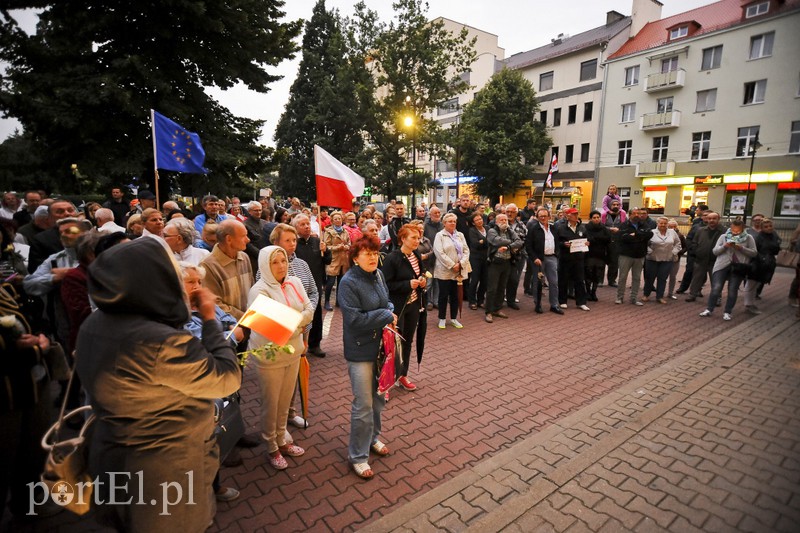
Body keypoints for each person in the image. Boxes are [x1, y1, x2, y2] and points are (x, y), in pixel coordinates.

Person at [75, 237, 242, 531]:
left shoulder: (95, 323)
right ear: (154, 280)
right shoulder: (159, 342)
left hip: (112, 457)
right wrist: (209, 319)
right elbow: (226, 377)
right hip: (163, 474)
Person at [247, 246, 313, 470]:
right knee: (271, 403)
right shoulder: (258, 291)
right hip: (269, 357)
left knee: (285, 402)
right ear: (265, 265)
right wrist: (299, 321)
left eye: (283, 260)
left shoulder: (294, 281)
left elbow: (310, 308)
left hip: (292, 352)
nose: (281, 266)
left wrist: (292, 322)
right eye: (275, 262)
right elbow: (272, 329)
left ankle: (282, 440)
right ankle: (271, 446)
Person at [337, 236, 396, 480]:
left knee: (379, 398)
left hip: (381, 347)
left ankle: (372, 438)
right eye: (367, 253)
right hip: (360, 350)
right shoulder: (348, 283)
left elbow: (387, 302)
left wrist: (388, 311)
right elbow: (355, 320)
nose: (373, 257)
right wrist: (386, 314)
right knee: (363, 405)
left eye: (375, 252)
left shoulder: (379, 275)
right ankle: (358, 456)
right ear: (355, 257)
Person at [382, 224, 427, 391]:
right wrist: (407, 284)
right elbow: (385, 285)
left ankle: (402, 375)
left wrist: (422, 281)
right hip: (397, 307)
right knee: (391, 345)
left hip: (414, 305)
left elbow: (420, 274)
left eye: (418, 237)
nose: (417, 241)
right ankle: (385, 381)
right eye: (413, 238)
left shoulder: (416, 254)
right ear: (402, 239)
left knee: (407, 341)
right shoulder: (392, 258)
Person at [699, 218, 757, 321]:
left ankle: (727, 311)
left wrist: (741, 248)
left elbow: (754, 253)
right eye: (733, 230)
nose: (735, 233)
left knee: (732, 290)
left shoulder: (748, 238)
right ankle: (709, 309)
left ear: (743, 229)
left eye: (738, 231)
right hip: (722, 265)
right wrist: (725, 246)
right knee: (716, 287)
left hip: (738, 267)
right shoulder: (724, 236)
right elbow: (715, 251)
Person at [293, 214, 331, 358]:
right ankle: (300, 344)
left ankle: (315, 345)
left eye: (308, 224)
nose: (307, 227)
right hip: (298, 287)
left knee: (316, 315)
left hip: (316, 284)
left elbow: (328, 261)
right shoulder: (294, 244)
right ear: (296, 227)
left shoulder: (317, 241)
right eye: (302, 224)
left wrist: (326, 250)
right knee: (300, 316)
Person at [433, 213, 470, 329]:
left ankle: (453, 318)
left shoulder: (460, 235)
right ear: (444, 223)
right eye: (450, 221)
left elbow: (466, 250)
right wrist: (452, 265)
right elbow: (439, 252)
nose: (453, 223)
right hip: (445, 270)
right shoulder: (440, 235)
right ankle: (442, 318)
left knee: (455, 295)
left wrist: (461, 264)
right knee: (443, 295)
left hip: (458, 270)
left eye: (454, 221)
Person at [485, 213, 523, 322]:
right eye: (501, 220)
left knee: (502, 287)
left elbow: (520, 242)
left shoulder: (510, 231)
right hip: (495, 263)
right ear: (496, 222)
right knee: (492, 288)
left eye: (505, 220)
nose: (504, 222)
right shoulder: (492, 231)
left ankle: (497, 309)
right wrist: (512, 243)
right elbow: (496, 241)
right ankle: (488, 312)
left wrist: (508, 247)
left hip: (507, 263)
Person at [525, 208, 562, 314]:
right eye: (540, 216)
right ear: (537, 217)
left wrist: (557, 254)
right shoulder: (533, 228)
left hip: (552, 257)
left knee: (554, 282)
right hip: (539, 259)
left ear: (549, 216)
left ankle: (554, 305)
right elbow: (528, 245)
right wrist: (534, 258)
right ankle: (537, 304)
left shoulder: (554, 228)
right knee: (538, 282)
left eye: (545, 215)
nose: (543, 218)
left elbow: (558, 241)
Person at [615, 207, 653, 306]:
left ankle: (633, 298)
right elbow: (621, 237)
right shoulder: (624, 225)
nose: (637, 215)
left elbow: (649, 234)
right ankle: (620, 297)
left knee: (636, 278)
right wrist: (639, 237)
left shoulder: (644, 224)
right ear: (629, 214)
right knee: (622, 277)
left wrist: (635, 234)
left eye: (638, 213)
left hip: (640, 255)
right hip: (626, 255)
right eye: (634, 213)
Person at [555, 208, 590, 311]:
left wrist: (587, 243)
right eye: (573, 214)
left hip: (578, 258)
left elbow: (587, 239)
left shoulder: (582, 228)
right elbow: (556, 242)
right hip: (565, 258)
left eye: (576, 214)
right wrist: (563, 244)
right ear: (567, 216)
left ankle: (581, 302)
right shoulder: (561, 228)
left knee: (579, 280)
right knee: (563, 280)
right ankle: (562, 301)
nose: (576, 216)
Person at [685, 211, 724, 303]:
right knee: (696, 279)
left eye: (714, 218)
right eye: (709, 218)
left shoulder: (724, 231)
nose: (711, 220)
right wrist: (696, 252)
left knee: (716, 281)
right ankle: (692, 294)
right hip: (700, 260)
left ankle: (717, 298)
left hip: (716, 261)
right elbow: (694, 242)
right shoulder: (701, 230)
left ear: (718, 219)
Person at [642, 217, 681, 304]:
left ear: (667, 224)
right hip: (653, 258)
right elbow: (644, 243)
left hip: (667, 259)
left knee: (663, 278)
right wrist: (649, 251)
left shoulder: (672, 232)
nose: (663, 225)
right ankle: (646, 295)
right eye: (661, 223)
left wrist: (673, 252)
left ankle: (660, 296)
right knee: (649, 278)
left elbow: (678, 244)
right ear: (657, 224)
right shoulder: (651, 232)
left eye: (665, 223)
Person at [322, 212, 351, 311]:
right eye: (336, 219)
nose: (338, 220)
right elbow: (327, 246)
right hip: (333, 259)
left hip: (343, 259)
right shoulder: (329, 232)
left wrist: (347, 246)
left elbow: (349, 242)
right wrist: (338, 247)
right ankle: (327, 301)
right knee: (330, 282)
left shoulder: (345, 231)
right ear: (332, 221)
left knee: (341, 281)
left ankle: (339, 301)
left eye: (339, 218)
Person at [584, 210, 611, 302]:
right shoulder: (586, 227)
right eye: (594, 218)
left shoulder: (604, 228)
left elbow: (608, 239)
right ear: (590, 219)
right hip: (589, 255)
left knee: (597, 275)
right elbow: (587, 239)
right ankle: (587, 292)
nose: (596, 219)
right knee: (588, 274)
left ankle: (593, 292)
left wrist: (594, 240)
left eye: (598, 217)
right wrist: (599, 239)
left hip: (600, 255)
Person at [601, 199, 626, 287]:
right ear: (610, 206)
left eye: (617, 205)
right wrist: (610, 229)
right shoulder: (604, 214)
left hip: (617, 241)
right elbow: (601, 226)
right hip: (605, 240)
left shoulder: (622, 215)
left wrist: (619, 230)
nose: (615, 206)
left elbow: (625, 227)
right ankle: (600, 280)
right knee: (602, 261)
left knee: (614, 262)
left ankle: (612, 280)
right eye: (613, 204)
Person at [467, 211, 488, 310]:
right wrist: (484, 241)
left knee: (484, 280)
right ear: (473, 222)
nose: (479, 221)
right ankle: (472, 301)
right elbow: (475, 244)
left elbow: (491, 241)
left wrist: (482, 241)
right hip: (475, 258)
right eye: (476, 220)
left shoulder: (487, 228)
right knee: (474, 280)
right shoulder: (472, 230)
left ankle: (480, 300)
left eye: (480, 219)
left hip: (486, 258)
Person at [666, 219, 687, 300]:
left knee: (673, 276)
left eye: (674, 226)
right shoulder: (664, 234)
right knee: (663, 276)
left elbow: (685, 247)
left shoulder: (680, 235)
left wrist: (679, 253)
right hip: (665, 258)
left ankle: (670, 293)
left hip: (675, 259)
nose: (672, 228)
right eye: (670, 226)